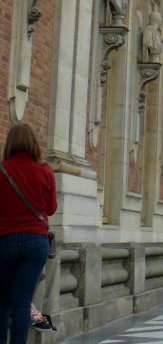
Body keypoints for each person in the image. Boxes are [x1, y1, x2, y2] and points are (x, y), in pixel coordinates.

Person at [0, 123, 57, 344]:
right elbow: (51, 208)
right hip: (36, 242)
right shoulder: (45, 171)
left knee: (2, 302)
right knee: (22, 303)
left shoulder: (2, 169)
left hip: (4, 240)